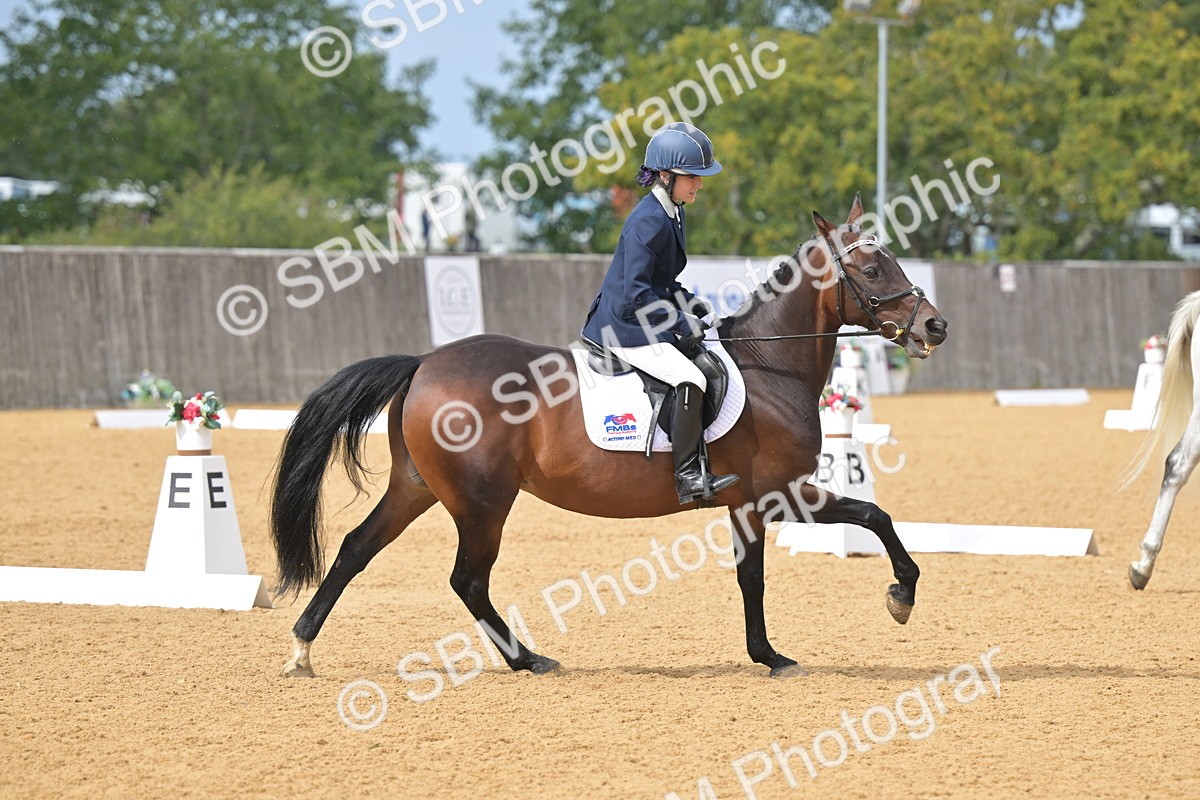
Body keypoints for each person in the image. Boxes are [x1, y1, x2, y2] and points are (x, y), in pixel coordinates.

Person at [581, 122, 739, 505]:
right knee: (691, 377)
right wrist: (681, 323)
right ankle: (687, 477)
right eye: (693, 177)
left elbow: (661, 282)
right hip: (624, 324)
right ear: (666, 176)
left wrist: (690, 302)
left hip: (640, 312)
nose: (699, 184)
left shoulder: (673, 211)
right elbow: (636, 293)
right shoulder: (649, 219)